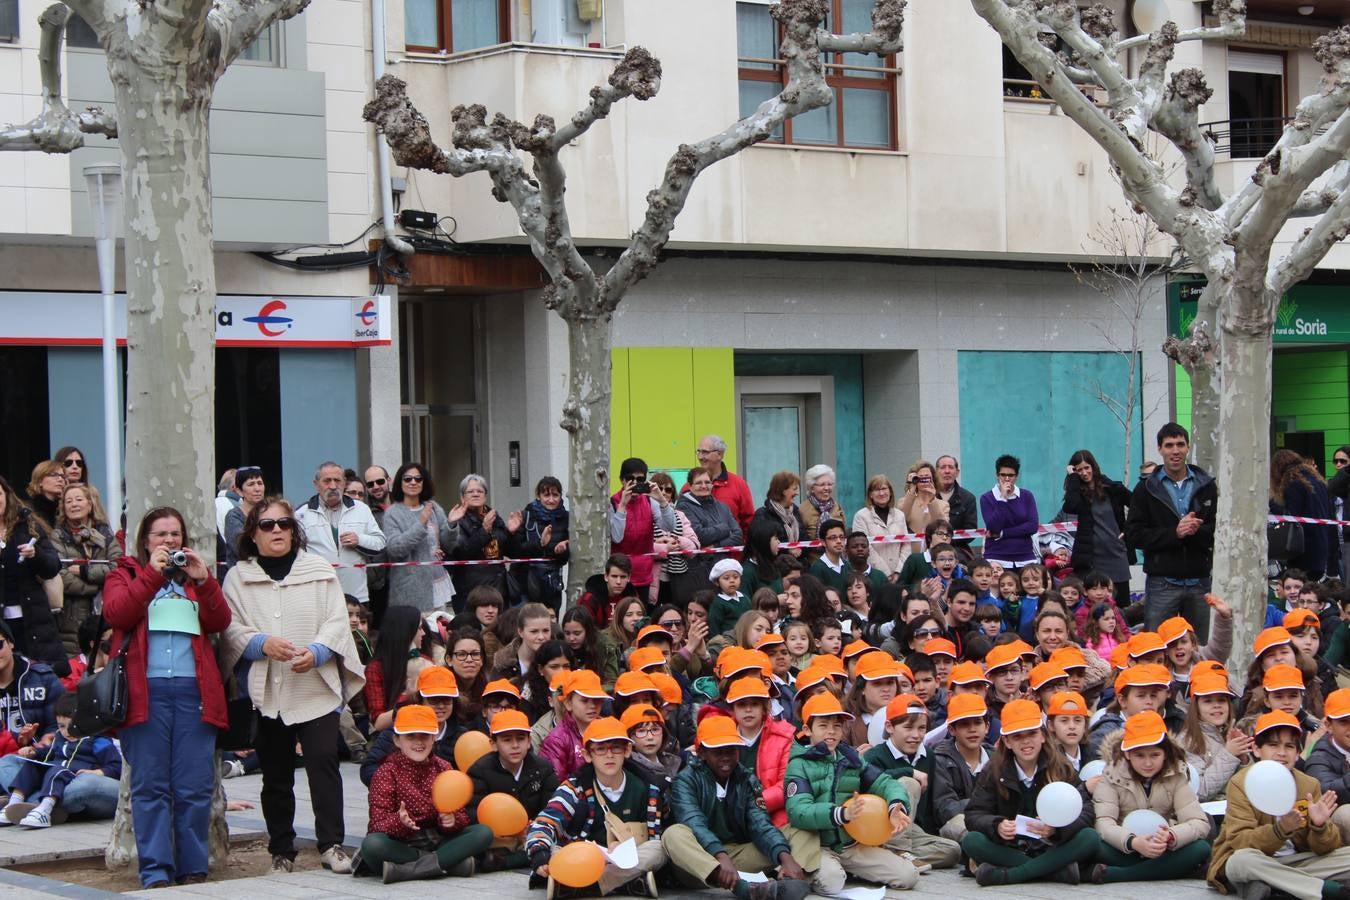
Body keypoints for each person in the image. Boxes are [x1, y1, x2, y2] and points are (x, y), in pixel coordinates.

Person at [220, 497, 366, 875]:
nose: (277, 531)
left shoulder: (318, 569)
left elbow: (337, 620)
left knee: (323, 763)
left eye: (284, 524)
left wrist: (318, 652)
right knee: (276, 772)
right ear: (252, 534)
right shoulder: (238, 576)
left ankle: (332, 844)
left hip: (314, 686)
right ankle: (281, 850)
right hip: (268, 691)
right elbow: (231, 626)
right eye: (267, 525)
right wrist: (260, 644)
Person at [101, 505, 231, 888]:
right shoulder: (124, 575)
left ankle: (193, 867)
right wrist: (152, 576)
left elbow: (220, 621)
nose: (169, 541)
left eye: (175, 534)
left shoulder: (193, 580)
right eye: (161, 535)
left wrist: (205, 580)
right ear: (145, 541)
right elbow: (118, 614)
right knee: (150, 787)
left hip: (194, 693)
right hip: (145, 693)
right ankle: (155, 871)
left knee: (193, 786)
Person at [663, 715, 813, 900]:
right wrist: (720, 856)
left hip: (735, 857)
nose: (726, 757)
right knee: (673, 834)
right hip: (698, 861)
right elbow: (694, 822)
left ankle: (792, 876)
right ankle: (743, 888)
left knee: (798, 831)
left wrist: (785, 857)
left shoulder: (745, 779)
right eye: (718, 751)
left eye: (731, 750)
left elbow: (760, 824)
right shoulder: (686, 780)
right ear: (701, 753)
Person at [784, 692, 920, 892]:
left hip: (852, 845)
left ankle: (852, 870)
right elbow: (798, 811)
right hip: (818, 845)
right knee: (832, 883)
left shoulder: (852, 759)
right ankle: (814, 869)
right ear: (807, 729)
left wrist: (894, 806)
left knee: (908, 876)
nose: (831, 732)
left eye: (837, 726)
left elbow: (885, 783)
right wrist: (841, 813)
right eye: (823, 725)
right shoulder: (798, 764)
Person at [1207, 710, 1350, 898]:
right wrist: (1280, 830)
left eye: (1289, 746)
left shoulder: (1309, 784)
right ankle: (1325, 890)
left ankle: (1275, 886)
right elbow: (1239, 842)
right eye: (1273, 745)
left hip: (1296, 862)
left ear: (1298, 753)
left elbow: (1325, 849)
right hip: (1256, 860)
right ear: (1257, 750)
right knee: (1240, 862)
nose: (1282, 753)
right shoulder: (1241, 783)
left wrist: (1320, 826)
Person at [525, 716, 668, 897]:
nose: (609, 755)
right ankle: (627, 883)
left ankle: (581, 886)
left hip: (624, 859)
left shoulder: (647, 789)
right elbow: (545, 822)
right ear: (587, 755)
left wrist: (624, 847)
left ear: (627, 750)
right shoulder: (575, 787)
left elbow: (653, 836)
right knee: (554, 850)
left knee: (658, 849)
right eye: (600, 749)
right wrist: (539, 852)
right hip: (582, 854)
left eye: (616, 747)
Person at [961, 699, 1098, 886]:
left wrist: (1056, 829)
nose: (1026, 741)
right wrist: (997, 825)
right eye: (1017, 736)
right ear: (1007, 742)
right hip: (1011, 847)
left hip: (1050, 846)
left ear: (1042, 735)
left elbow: (1086, 811)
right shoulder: (994, 769)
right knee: (972, 841)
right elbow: (974, 814)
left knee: (1089, 837)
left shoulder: (1061, 766)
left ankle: (1011, 875)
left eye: (1032, 733)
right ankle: (1054, 872)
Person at [358, 704, 493, 883]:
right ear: (397, 741)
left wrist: (450, 821)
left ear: (434, 737)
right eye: (410, 736)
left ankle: (406, 871)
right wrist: (400, 822)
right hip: (401, 844)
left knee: (483, 833)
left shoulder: (443, 767)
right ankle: (449, 864)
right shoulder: (385, 773)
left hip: (438, 840)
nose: (419, 742)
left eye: (425, 736)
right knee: (372, 845)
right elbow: (376, 825)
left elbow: (461, 815)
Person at [1088, 710, 1211, 884]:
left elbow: (1199, 822)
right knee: (1094, 843)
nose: (1147, 763)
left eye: (1155, 755)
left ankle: (1119, 875)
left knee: (1201, 848)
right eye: (1140, 755)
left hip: (1162, 848)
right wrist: (1133, 842)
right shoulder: (1111, 776)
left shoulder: (1177, 776)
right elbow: (1103, 823)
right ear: (1128, 754)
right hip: (1125, 848)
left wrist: (1171, 836)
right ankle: (1163, 871)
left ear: (1165, 753)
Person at [1125, 423, 1217, 641]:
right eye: (1169, 445)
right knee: (1154, 646)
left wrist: (1197, 530)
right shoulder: (1146, 488)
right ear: (1160, 449)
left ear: (1188, 447)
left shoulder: (1208, 485)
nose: (1175, 451)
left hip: (1200, 581)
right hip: (1162, 582)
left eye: (1180, 445)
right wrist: (1174, 533)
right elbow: (1134, 534)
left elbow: (1220, 531)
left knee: (1201, 648)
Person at [0, 692, 121, 829]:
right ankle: (14, 802)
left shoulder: (96, 740)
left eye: (72, 726)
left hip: (72, 779)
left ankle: (44, 809)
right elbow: (49, 753)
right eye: (61, 726)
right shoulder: (60, 737)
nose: (66, 731)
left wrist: (97, 772)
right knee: (31, 766)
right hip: (51, 777)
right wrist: (33, 752)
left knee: (56, 771)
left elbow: (117, 765)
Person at [468, 709, 560, 871]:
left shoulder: (543, 768)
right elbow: (472, 812)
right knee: (481, 838)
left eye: (521, 738)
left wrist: (535, 825)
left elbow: (551, 807)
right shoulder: (480, 770)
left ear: (529, 741)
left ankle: (505, 861)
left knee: (553, 844)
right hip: (498, 836)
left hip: (532, 833)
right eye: (507, 740)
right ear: (494, 744)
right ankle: (506, 858)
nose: (515, 745)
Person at [0, 477, 67, 677]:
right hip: (3, 626)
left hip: (33, 620)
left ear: (6, 495)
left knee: (38, 677)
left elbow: (52, 566)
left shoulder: (26, 523)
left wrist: (35, 555)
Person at [295, 461, 386, 606]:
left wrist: (359, 540)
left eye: (337, 480)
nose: (332, 486)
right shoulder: (301, 514)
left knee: (357, 630)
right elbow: (295, 556)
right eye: (327, 481)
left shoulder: (361, 509)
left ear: (344, 483)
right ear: (316, 484)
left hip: (356, 597)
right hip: (319, 597)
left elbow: (380, 544)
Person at [50, 482, 122, 656]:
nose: (74, 504)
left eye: (79, 499)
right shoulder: (58, 536)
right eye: (68, 501)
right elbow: (60, 574)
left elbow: (118, 566)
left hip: (104, 613)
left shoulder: (105, 535)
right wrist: (96, 586)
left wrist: (85, 572)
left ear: (90, 504)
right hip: (70, 618)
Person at [1061, 450, 1133, 608]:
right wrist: (1072, 477)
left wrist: (1128, 531)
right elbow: (1070, 506)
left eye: (1087, 467)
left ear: (1093, 466)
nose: (1084, 473)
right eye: (1079, 470)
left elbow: (1138, 505)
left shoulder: (1112, 488)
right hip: (1092, 557)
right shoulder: (1079, 493)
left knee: (1122, 606)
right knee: (1095, 606)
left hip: (1116, 553)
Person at [382, 462, 454, 613]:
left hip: (437, 582)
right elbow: (395, 549)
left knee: (440, 632)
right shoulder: (393, 513)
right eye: (407, 479)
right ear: (400, 483)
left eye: (418, 478)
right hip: (409, 589)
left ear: (424, 482)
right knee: (416, 634)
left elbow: (449, 544)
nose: (413, 482)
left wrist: (452, 525)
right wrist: (421, 523)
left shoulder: (433, 507)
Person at [610, 458, 678, 602]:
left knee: (640, 617)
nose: (635, 483)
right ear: (622, 480)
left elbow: (669, 526)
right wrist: (623, 505)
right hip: (620, 576)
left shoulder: (649, 501)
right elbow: (616, 537)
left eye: (640, 479)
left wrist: (662, 500)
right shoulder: (613, 503)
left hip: (643, 573)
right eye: (630, 479)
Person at [446, 473, 521, 602]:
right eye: (470, 491)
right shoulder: (457, 519)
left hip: (498, 589)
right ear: (462, 497)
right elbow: (461, 552)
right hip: (470, 592)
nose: (476, 494)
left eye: (480, 491)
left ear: (485, 496)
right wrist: (484, 530)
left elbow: (510, 552)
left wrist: (511, 533)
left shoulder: (493, 516)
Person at [1271, 448, 1338, 581]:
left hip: (1303, 551)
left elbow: (1290, 515)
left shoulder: (1294, 485)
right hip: (1320, 550)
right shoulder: (1318, 482)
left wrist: (1271, 503)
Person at [677, 467, 743, 600]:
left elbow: (738, 535)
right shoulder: (683, 507)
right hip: (700, 570)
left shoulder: (722, 507)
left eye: (707, 482)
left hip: (724, 569)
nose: (704, 486)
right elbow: (700, 535)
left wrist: (717, 544)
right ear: (690, 486)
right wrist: (724, 529)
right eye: (699, 483)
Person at [513, 476, 570, 612]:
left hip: (551, 583)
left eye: (555, 495)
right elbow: (516, 551)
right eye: (546, 495)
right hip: (525, 582)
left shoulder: (566, 518)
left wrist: (561, 551)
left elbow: (565, 558)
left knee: (551, 625)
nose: (551, 500)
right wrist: (540, 544)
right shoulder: (526, 516)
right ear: (538, 496)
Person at [979, 456, 1040, 573]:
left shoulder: (1027, 496)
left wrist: (1003, 533)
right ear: (997, 475)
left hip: (1025, 556)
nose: (1007, 479)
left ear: (1016, 476)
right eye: (1003, 475)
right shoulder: (987, 498)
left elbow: (1032, 526)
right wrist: (1002, 499)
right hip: (996, 557)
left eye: (1011, 475)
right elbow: (993, 526)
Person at [851, 474, 910, 580]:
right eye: (877, 490)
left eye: (884, 488)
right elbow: (864, 547)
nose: (881, 493)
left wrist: (898, 571)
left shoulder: (900, 515)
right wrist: (885, 573)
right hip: (874, 576)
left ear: (890, 492)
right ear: (870, 494)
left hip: (899, 576)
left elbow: (906, 545)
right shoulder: (861, 516)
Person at [698, 435, 756, 537]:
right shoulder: (688, 487)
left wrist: (746, 550)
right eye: (698, 452)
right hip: (698, 551)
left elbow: (749, 522)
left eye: (705, 452)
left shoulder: (738, 484)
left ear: (720, 454)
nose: (700, 457)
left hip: (732, 550)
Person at [898, 460, 950, 556]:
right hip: (910, 555)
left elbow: (943, 527)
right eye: (920, 478)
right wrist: (911, 491)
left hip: (935, 555)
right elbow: (901, 520)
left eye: (927, 478)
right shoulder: (904, 502)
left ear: (933, 480)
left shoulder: (943, 505)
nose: (924, 481)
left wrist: (932, 500)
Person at [222, 466, 266, 573]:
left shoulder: (271, 513)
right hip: (242, 576)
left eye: (260, 483)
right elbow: (242, 548)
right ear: (239, 491)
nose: (257, 489)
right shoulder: (234, 516)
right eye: (251, 484)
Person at [934, 456, 979, 559]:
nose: (947, 471)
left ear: (957, 472)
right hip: (929, 549)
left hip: (958, 550)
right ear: (936, 472)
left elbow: (970, 531)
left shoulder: (968, 498)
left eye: (950, 467)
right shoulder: (928, 496)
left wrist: (947, 540)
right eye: (943, 467)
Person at [798, 465, 845, 545]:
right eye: (822, 485)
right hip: (814, 556)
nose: (826, 488)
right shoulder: (802, 510)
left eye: (829, 484)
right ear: (812, 488)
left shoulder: (837, 507)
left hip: (837, 556)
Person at [25, 460, 65, 530]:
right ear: (40, 481)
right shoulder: (27, 510)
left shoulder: (64, 509)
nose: (60, 479)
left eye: (62, 476)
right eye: (54, 475)